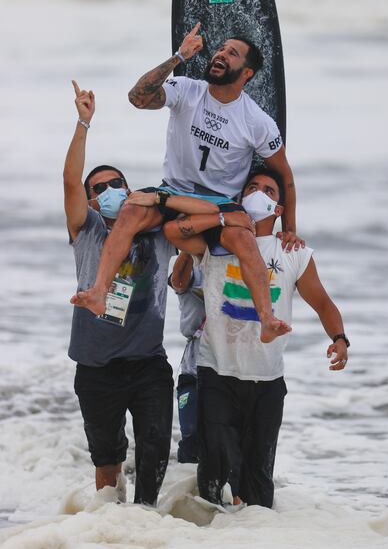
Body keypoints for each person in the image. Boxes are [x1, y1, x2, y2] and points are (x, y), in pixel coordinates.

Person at [71, 25, 301, 343]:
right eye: (220, 48)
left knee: (244, 240)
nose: (220, 53)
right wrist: (178, 56)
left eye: (231, 53)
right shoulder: (186, 89)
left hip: (217, 203)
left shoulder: (257, 122)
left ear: (246, 73)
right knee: (131, 211)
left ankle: (267, 319)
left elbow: (285, 176)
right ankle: (99, 291)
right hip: (173, 189)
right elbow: (137, 98)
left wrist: (288, 227)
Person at [64, 81, 216, 505]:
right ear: (93, 202)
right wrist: (83, 123)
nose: (108, 191)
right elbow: (70, 182)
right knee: (107, 458)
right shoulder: (87, 230)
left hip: (147, 362)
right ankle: (110, 525)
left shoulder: (159, 232)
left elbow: (211, 211)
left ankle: (144, 520)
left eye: (117, 183)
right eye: (100, 189)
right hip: (95, 366)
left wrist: (162, 197)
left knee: (154, 447)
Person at [163, 166, 350, 509]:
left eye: (268, 190)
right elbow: (172, 230)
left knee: (259, 481)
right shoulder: (217, 240)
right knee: (216, 472)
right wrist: (223, 216)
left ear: (278, 209)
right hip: (216, 370)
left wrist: (339, 338)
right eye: (251, 187)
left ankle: (259, 537)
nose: (258, 193)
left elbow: (322, 302)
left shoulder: (293, 253)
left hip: (267, 379)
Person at [168, 252, 205, 464]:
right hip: (193, 369)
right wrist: (189, 249)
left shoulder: (235, 263)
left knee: (226, 444)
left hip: (228, 370)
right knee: (190, 439)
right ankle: (186, 496)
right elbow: (179, 283)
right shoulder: (181, 262)